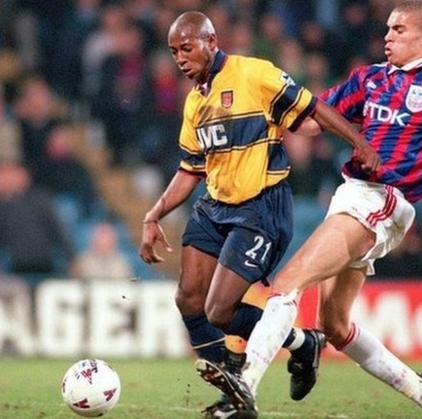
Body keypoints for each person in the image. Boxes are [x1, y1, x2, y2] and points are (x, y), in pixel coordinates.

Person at [195, 2, 422, 418]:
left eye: (399, 29)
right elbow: (311, 121)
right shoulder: (369, 79)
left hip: (383, 199)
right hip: (351, 196)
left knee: (288, 282)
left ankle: (247, 385)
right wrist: (263, 112)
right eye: (387, 28)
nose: (388, 36)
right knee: (334, 325)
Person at [138, 11, 380, 418]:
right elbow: (189, 170)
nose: (179, 58)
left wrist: (359, 142)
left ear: (211, 42)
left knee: (220, 311)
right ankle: (235, 386)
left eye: (187, 47)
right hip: (214, 206)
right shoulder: (195, 102)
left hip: (260, 207)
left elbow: (312, 107)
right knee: (189, 299)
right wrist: (154, 213)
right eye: (173, 51)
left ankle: (302, 345)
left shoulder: (254, 74)